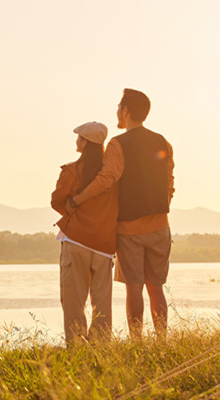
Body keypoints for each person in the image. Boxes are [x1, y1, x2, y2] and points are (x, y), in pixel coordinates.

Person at [69, 89, 174, 341]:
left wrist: (78, 199)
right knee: (156, 288)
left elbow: (107, 178)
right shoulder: (164, 142)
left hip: (130, 229)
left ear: (126, 111)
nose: (117, 110)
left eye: (119, 106)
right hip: (161, 226)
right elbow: (170, 182)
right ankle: (162, 342)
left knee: (134, 287)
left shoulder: (118, 143)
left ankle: (136, 342)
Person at [51, 121, 119, 344]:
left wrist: (73, 209)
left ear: (85, 143)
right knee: (102, 302)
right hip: (104, 244)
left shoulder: (72, 171)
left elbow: (57, 201)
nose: (76, 140)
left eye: (79, 137)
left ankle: (77, 345)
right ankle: (100, 346)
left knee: (73, 299)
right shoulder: (112, 176)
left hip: (76, 240)